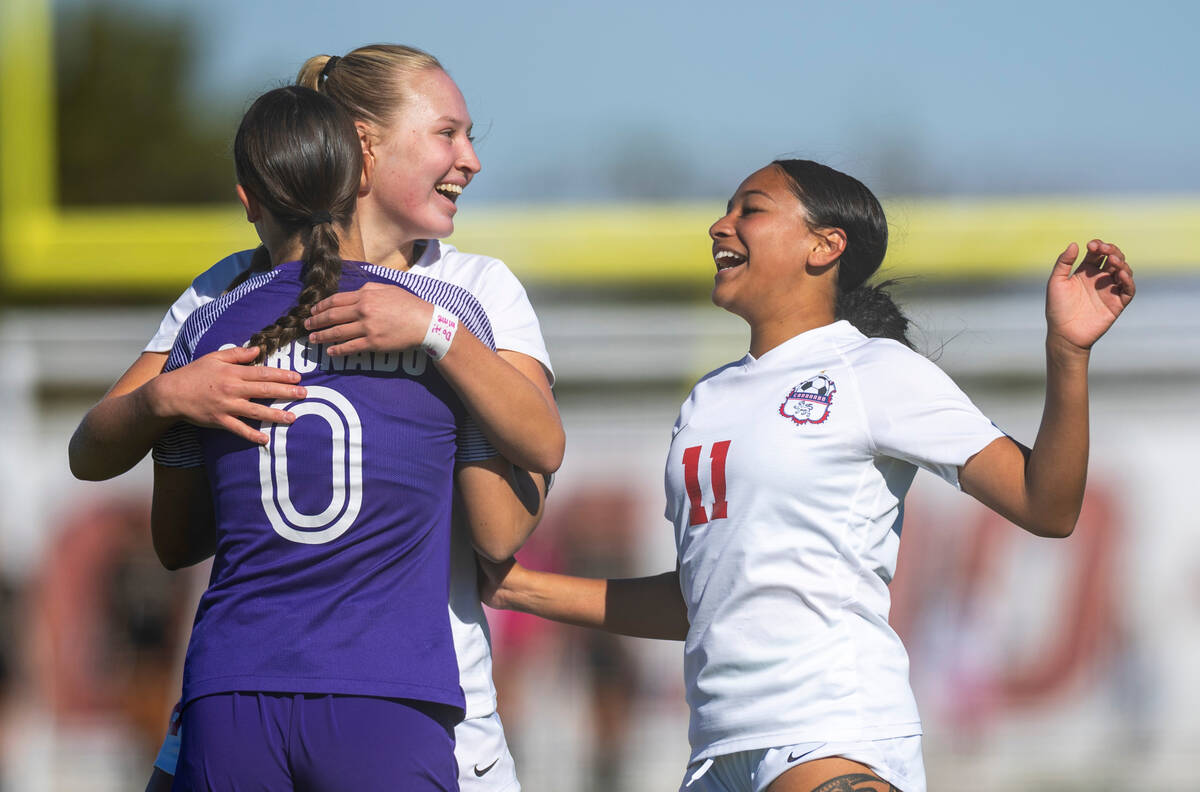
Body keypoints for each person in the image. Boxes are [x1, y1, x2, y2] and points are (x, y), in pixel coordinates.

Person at [480, 159, 1136, 792]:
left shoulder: (873, 370)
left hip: (829, 735)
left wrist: (1067, 352)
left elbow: (1047, 506)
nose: (720, 225)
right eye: (726, 208)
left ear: (824, 246)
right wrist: (519, 589)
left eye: (751, 210)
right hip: (714, 755)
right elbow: (699, 599)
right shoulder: (704, 402)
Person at [67, 45, 561, 791]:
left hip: (432, 702)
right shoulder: (228, 291)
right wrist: (168, 404)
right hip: (284, 691)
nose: (470, 160)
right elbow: (111, 448)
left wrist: (435, 337)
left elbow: (505, 519)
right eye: (448, 134)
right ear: (362, 148)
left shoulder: (470, 290)